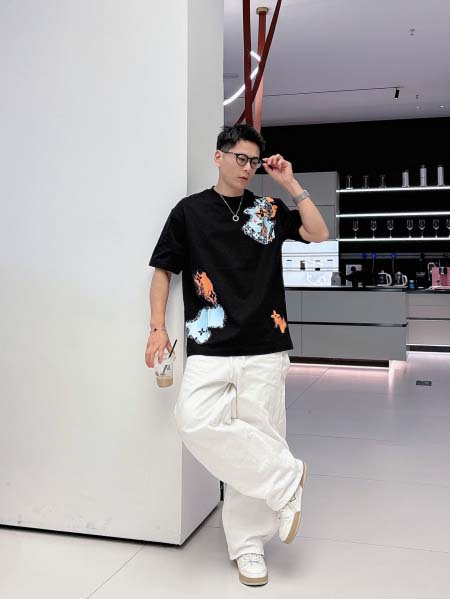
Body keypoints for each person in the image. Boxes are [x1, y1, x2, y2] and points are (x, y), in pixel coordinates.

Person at [145, 124, 329, 586]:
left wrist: (290, 183)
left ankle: (248, 547)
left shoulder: (267, 209)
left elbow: (318, 232)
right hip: (208, 344)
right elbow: (163, 271)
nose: (247, 168)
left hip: (265, 343)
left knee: (259, 433)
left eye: (253, 162)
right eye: (239, 158)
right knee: (192, 420)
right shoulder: (189, 212)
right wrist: (156, 328)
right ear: (219, 157)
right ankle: (286, 479)